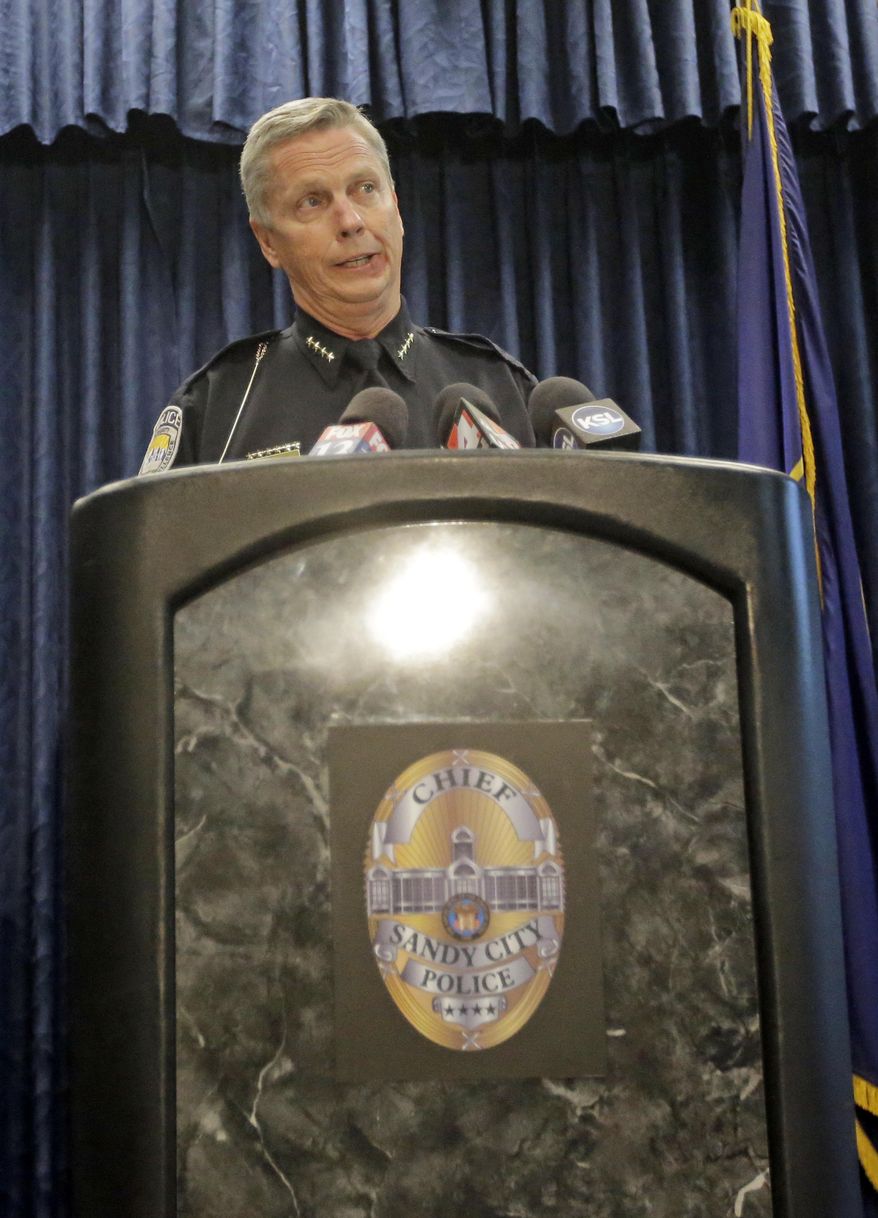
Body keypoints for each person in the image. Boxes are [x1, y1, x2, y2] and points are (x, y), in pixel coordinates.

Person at [139, 97, 537, 473]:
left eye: (365, 189)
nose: (350, 222)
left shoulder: (498, 385)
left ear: (396, 210)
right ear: (268, 242)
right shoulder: (218, 406)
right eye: (312, 201)